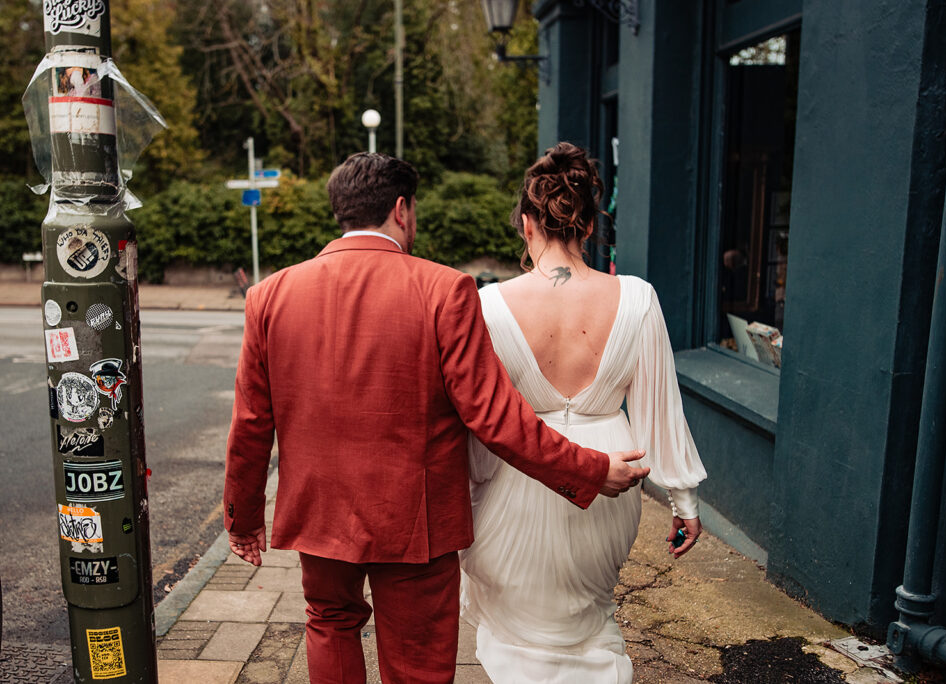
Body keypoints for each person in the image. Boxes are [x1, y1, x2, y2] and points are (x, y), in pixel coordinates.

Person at [222, 152, 650, 684]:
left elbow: (250, 422)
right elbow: (495, 416)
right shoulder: (444, 290)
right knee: (416, 655)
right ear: (402, 210)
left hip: (320, 511)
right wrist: (588, 469)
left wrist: (242, 520)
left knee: (329, 624)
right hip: (415, 520)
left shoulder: (269, 296)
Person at [460, 142, 708, 683]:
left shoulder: (488, 305)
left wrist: (471, 492)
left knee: (517, 633)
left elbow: (478, 418)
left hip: (519, 478)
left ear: (526, 224)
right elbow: (660, 407)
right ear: (589, 227)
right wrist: (684, 499)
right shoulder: (638, 298)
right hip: (608, 478)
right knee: (592, 620)